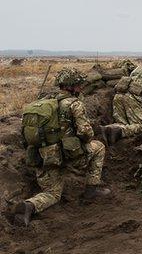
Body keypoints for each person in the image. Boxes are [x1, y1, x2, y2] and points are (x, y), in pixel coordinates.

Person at [15, 68, 111, 226]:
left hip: (41, 158)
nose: (81, 87)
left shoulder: (42, 103)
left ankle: (29, 206)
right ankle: (92, 190)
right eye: (79, 85)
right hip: (68, 157)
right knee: (99, 147)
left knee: (52, 194)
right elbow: (86, 133)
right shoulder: (74, 104)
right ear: (72, 86)